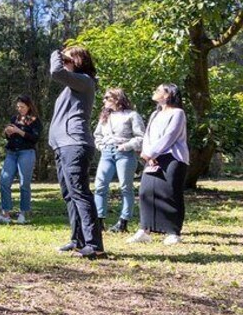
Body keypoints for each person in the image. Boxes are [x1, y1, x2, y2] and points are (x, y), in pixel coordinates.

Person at [49, 46, 105, 259]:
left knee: (80, 193)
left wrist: (56, 52)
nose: (63, 61)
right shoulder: (74, 84)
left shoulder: (85, 80)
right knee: (69, 194)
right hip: (62, 145)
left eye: (68, 58)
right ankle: (78, 240)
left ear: (78, 61)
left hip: (75, 144)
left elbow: (55, 72)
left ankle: (95, 245)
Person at [127, 84, 189, 246]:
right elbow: (147, 135)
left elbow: (171, 136)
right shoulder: (155, 114)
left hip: (172, 158)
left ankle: (173, 232)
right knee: (146, 191)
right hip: (152, 158)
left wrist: (152, 153)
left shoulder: (178, 113)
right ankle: (144, 230)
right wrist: (147, 154)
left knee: (170, 193)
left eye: (159, 90)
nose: (155, 92)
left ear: (169, 95)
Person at [92, 88, 145, 233]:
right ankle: (99, 219)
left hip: (125, 154)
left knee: (125, 187)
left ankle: (123, 221)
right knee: (100, 186)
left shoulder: (132, 115)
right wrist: (101, 146)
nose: (104, 100)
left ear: (117, 99)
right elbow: (97, 135)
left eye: (107, 97)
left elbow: (141, 136)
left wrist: (126, 146)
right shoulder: (105, 117)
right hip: (107, 153)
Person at [0, 95, 42, 225]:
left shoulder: (35, 121)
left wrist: (19, 131)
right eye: (18, 107)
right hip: (11, 153)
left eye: (22, 107)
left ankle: (23, 213)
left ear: (29, 106)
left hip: (26, 153)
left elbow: (34, 138)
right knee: (4, 181)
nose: (20, 109)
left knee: (24, 183)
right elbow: (10, 137)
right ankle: (5, 214)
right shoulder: (14, 119)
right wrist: (7, 133)